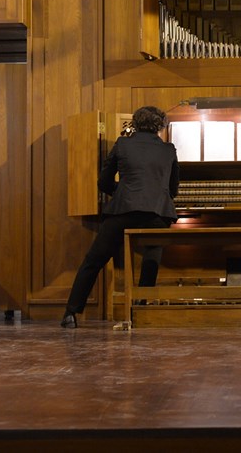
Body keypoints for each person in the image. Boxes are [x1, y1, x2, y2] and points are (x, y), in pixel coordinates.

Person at [61, 106, 179, 328]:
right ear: (161, 127)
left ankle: (71, 313)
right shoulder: (168, 150)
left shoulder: (122, 144)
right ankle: (141, 307)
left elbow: (103, 182)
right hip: (156, 213)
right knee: (151, 256)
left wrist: (123, 190)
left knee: (94, 260)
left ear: (134, 124)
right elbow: (173, 189)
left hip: (123, 210)